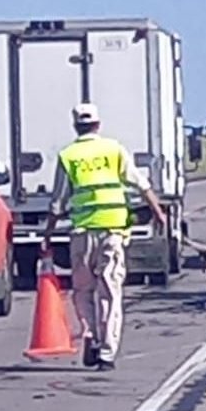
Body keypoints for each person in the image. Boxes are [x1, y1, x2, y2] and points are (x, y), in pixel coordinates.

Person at [42, 102, 167, 370]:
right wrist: (159, 213)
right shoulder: (114, 149)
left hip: (82, 233)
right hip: (113, 231)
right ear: (98, 125)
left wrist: (48, 233)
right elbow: (141, 184)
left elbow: (57, 203)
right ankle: (107, 354)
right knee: (110, 292)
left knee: (83, 290)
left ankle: (89, 332)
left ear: (76, 126)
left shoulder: (69, 156)